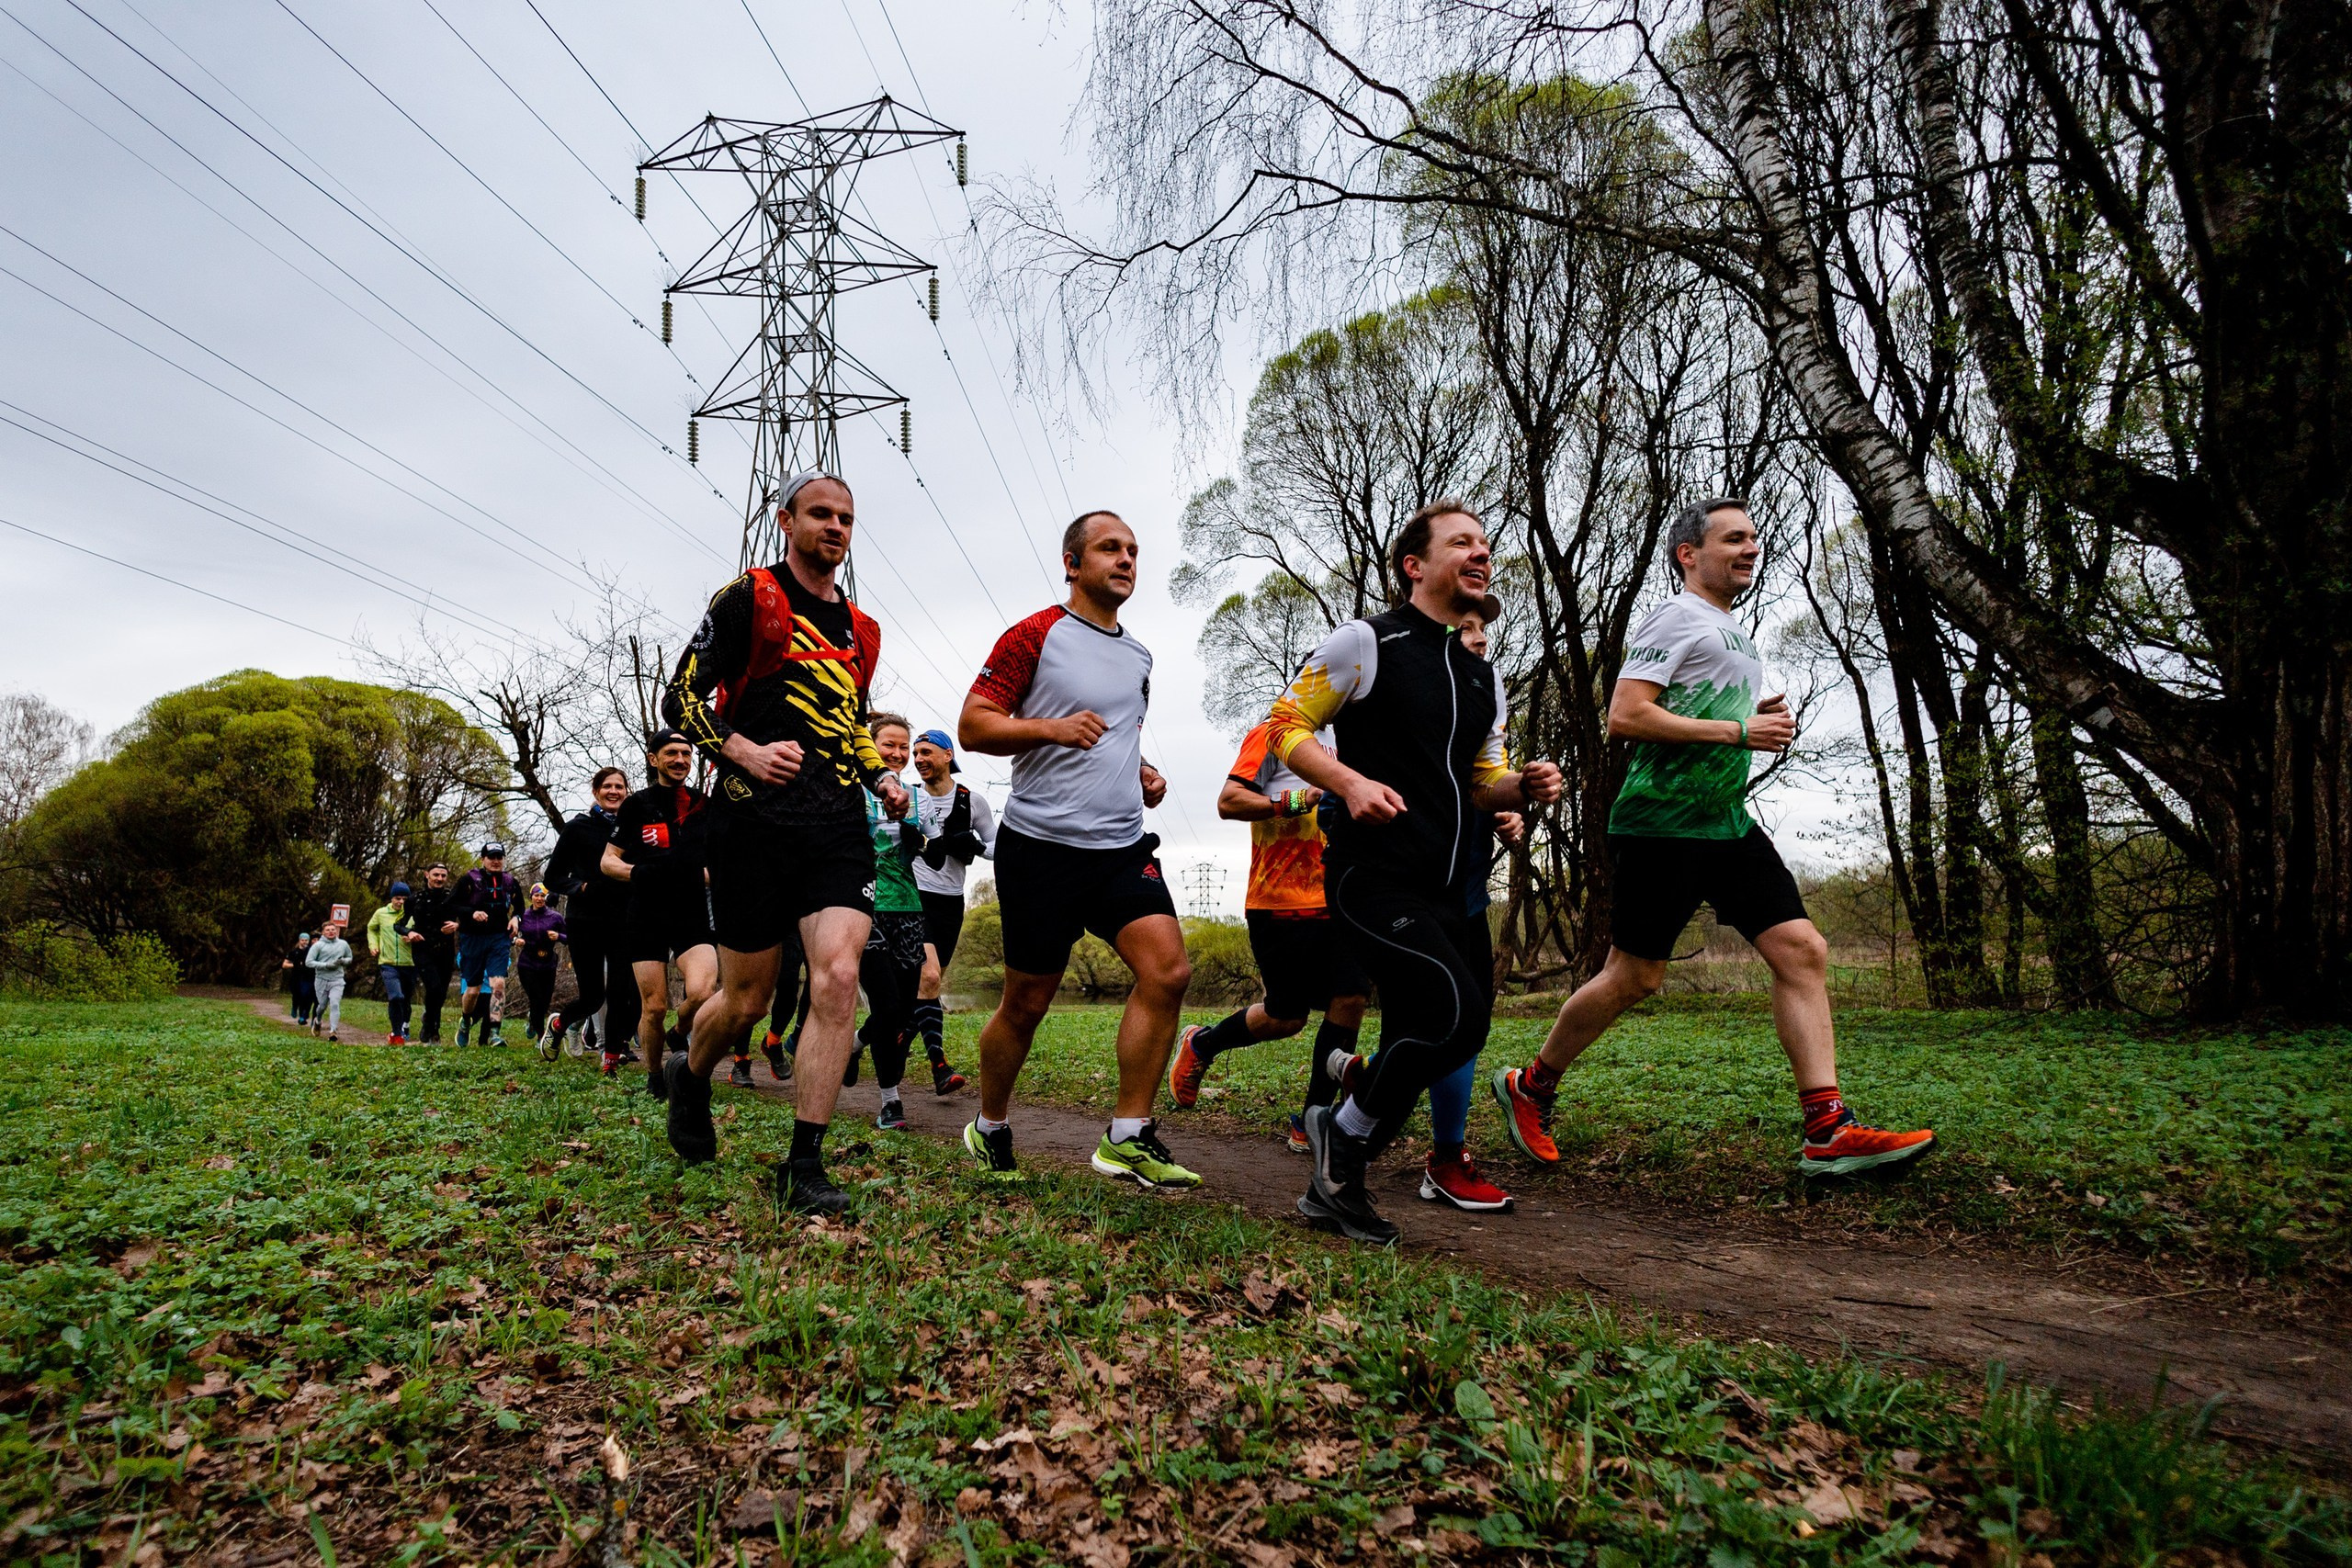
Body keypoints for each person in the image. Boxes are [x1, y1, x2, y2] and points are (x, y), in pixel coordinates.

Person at [1492, 497, 1936, 1179]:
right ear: (1688, 554)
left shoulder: (1733, 632)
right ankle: (1532, 1085)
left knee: (1803, 950)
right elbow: (1626, 714)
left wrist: (1751, 713)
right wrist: (1739, 730)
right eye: (1733, 538)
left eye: (1753, 537)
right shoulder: (1677, 616)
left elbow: (1690, 706)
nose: (1751, 547)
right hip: (1661, 824)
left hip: (1724, 821)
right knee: (1634, 977)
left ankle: (1827, 1128)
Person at [1263, 500, 1563, 1245]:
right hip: (1373, 877)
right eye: (1462, 542)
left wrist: (1522, 786)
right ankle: (1341, 1133)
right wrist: (1349, 783)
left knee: (1445, 1034)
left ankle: (1337, 1178)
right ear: (1415, 565)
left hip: (1449, 887)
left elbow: (1484, 781)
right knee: (1454, 1013)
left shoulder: (1482, 675)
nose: (1481, 552)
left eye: (1485, 543)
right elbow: (1285, 725)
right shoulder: (1366, 642)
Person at [660, 471, 910, 1215]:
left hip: (834, 826)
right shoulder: (750, 598)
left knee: (837, 977)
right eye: (821, 514)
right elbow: (678, 697)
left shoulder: (858, 629)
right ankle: (689, 1076)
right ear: (786, 520)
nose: (835, 527)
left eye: (846, 518)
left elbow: (851, 723)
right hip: (751, 824)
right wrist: (743, 750)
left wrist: (880, 777)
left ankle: (804, 1164)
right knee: (746, 1000)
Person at [958, 510, 1198, 1189]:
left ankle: (1127, 1136)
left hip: (1120, 846)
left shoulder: (1139, 656)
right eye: (1109, 548)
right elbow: (973, 725)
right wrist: (1051, 729)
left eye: (1133, 551)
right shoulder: (1035, 634)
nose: (1125, 560)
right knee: (1026, 1003)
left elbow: (1117, 734)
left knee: (1169, 971)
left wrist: (1142, 771)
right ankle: (989, 1124)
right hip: (1041, 846)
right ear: (1072, 563)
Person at [1164, 713, 1372, 1159]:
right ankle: (1203, 1043)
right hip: (1279, 899)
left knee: (1351, 997)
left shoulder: (1352, 738)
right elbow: (1229, 801)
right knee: (1286, 1017)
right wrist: (1295, 800)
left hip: (1341, 894)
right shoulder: (1272, 734)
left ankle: (1314, 1120)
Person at [601, 730, 717, 1084]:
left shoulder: (704, 805)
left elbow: (722, 864)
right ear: (654, 759)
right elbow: (608, 861)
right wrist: (639, 873)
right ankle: (655, 1077)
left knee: (703, 991)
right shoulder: (637, 805)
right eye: (671, 753)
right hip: (646, 915)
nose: (680, 760)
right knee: (653, 1008)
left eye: (686, 753)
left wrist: (701, 876)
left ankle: (679, 1032)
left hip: (691, 913)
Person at [857, 714, 935, 1129]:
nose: (898, 753)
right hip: (865, 908)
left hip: (908, 908)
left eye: (904, 747)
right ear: (871, 748)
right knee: (886, 1006)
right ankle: (891, 1102)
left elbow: (934, 853)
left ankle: (855, 1044)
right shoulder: (854, 793)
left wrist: (919, 841)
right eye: (888, 745)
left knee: (903, 1013)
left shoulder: (919, 798)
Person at [909, 727, 986, 1093]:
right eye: (915, 754)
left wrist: (974, 845)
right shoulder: (908, 797)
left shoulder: (972, 801)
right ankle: (940, 1068)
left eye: (926, 752)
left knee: (923, 991)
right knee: (929, 979)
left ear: (947, 755)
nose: (919, 759)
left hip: (951, 901)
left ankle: (862, 1042)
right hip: (912, 896)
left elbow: (997, 846)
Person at [547, 766, 638, 1062]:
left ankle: (610, 1057)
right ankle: (560, 1024)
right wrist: (581, 887)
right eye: (607, 786)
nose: (614, 791)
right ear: (596, 791)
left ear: (626, 792)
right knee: (593, 997)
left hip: (623, 920)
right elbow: (553, 877)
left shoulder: (633, 828)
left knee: (621, 992)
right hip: (585, 921)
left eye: (619, 787)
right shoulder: (578, 828)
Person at [452, 844, 522, 1047]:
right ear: (482, 859)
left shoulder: (510, 882)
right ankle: (465, 1021)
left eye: (499, 857)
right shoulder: (468, 880)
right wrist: (471, 913)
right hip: (472, 938)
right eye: (491, 857)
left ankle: (495, 1033)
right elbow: (451, 904)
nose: (496, 861)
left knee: (498, 984)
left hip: (498, 938)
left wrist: (516, 918)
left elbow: (520, 906)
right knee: (473, 991)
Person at [514, 882, 570, 1055]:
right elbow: (509, 934)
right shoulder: (523, 916)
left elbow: (569, 937)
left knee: (544, 1001)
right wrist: (516, 940)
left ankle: (533, 1020)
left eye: (542, 896)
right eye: (536, 895)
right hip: (527, 963)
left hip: (548, 963)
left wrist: (558, 936)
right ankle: (540, 1036)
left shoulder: (555, 917)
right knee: (536, 998)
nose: (539, 899)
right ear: (531, 897)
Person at [407, 864, 458, 1043]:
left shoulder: (452, 897)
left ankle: (428, 1018)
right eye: (436, 875)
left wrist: (457, 925)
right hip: (423, 949)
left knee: (441, 993)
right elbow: (398, 924)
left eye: (443, 876)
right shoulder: (415, 898)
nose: (439, 879)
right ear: (426, 875)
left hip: (445, 950)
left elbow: (466, 918)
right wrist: (409, 932)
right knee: (433, 987)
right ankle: (433, 1030)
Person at [365, 885, 422, 1045]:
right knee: (396, 996)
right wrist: (373, 945)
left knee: (406, 999)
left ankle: (405, 1026)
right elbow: (371, 928)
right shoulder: (381, 913)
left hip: (410, 963)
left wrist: (413, 937)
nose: (401, 902)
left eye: (405, 899)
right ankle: (396, 1033)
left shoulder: (414, 914)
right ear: (391, 898)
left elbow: (423, 931)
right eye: (398, 898)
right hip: (388, 962)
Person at [305, 921, 354, 1041]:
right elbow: (309, 962)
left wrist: (343, 961)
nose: (331, 932)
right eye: (328, 930)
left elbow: (349, 958)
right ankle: (318, 1021)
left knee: (335, 1003)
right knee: (322, 1006)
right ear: (323, 932)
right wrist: (326, 965)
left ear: (336, 931)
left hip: (337, 979)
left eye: (333, 929)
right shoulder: (318, 946)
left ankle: (333, 1031)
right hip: (321, 979)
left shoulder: (343, 944)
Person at [283, 930, 317, 1029]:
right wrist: (295, 965)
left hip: (309, 977)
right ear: (299, 940)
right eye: (302, 940)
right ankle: (295, 1007)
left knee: (306, 996)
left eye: (306, 940)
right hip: (296, 977)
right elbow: (284, 965)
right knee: (297, 995)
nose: (304, 942)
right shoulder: (294, 952)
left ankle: (303, 1016)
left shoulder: (311, 951)